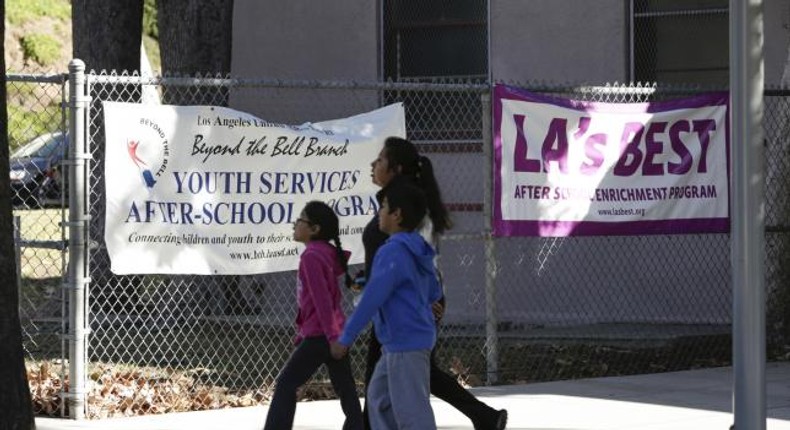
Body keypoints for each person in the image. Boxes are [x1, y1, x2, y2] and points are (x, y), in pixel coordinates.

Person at [357, 136, 508, 430]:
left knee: (386, 369)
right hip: (399, 302)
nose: (373, 165)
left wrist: (426, 300)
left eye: (380, 160)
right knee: (408, 370)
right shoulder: (394, 202)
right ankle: (485, 417)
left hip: (407, 302)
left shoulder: (407, 206)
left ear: (396, 169)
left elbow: (420, 256)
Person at [331, 179, 443, 430]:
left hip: (405, 343)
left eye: (383, 207)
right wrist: (427, 300)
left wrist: (345, 337)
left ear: (397, 215)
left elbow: (372, 298)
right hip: (403, 341)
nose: (378, 213)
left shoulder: (392, 252)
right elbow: (434, 287)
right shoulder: (419, 248)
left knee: (412, 414)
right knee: (379, 398)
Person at [263, 201, 363, 430]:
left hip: (324, 335)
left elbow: (322, 301)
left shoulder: (311, 257)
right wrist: (313, 334)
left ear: (314, 229)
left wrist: (331, 338)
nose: (295, 224)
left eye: (301, 219)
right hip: (333, 332)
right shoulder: (324, 253)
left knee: (286, 384)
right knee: (345, 386)